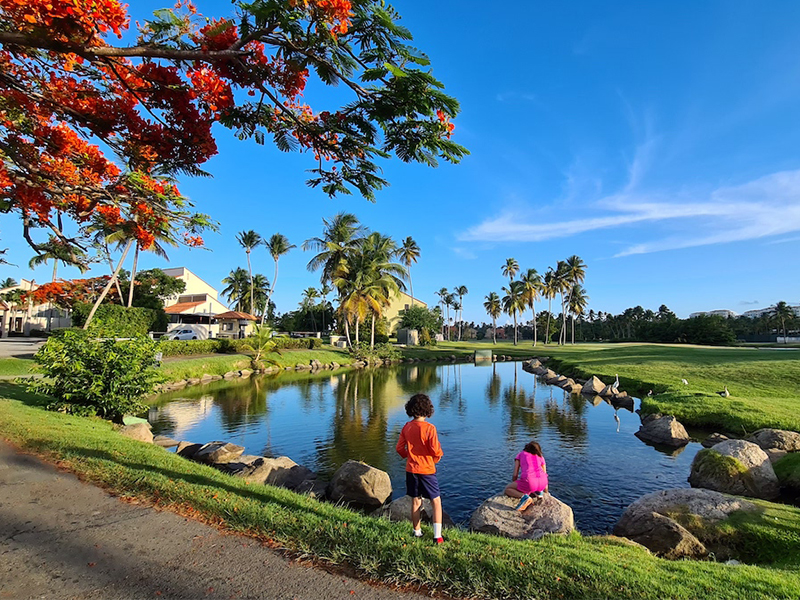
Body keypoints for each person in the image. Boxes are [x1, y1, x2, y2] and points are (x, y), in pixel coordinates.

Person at [395, 393, 445, 544]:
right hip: (427, 470)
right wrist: (435, 459)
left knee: (415, 501)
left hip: (411, 469)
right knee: (436, 501)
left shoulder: (406, 427)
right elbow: (435, 450)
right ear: (428, 410)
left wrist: (408, 456)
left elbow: (399, 448)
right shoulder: (430, 428)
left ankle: (417, 531)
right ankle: (437, 536)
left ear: (410, 409)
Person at [504, 440, 548, 512]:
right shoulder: (541, 457)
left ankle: (525, 497)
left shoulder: (520, 454)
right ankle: (539, 492)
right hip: (543, 482)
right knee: (536, 482)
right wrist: (546, 491)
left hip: (529, 481)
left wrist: (516, 485)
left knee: (508, 489)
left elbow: (515, 474)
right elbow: (545, 473)